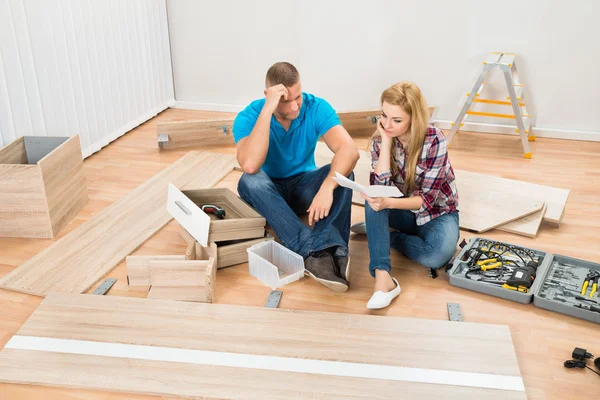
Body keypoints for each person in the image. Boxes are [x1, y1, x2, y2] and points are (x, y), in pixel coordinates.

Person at [234, 62, 359, 292]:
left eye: (297, 97)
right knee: (249, 180)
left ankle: (335, 247)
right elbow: (250, 165)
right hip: (269, 190)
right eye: (284, 100)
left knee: (344, 172)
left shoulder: (316, 107)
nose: (294, 107)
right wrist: (267, 111)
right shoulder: (250, 116)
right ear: (268, 95)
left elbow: (349, 150)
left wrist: (326, 188)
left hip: (304, 185)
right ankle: (313, 251)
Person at [351, 81, 459, 309]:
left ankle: (379, 233)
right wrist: (387, 141)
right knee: (373, 201)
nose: (387, 124)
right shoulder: (381, 139)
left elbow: (427, 200)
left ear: (413, 118)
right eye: (384, 115)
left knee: (435, 256)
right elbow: (379, 187)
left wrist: (387, 203)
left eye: (397, 120)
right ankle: (383, 281)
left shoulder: (434, 140)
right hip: (400, 209)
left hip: (436, 213)